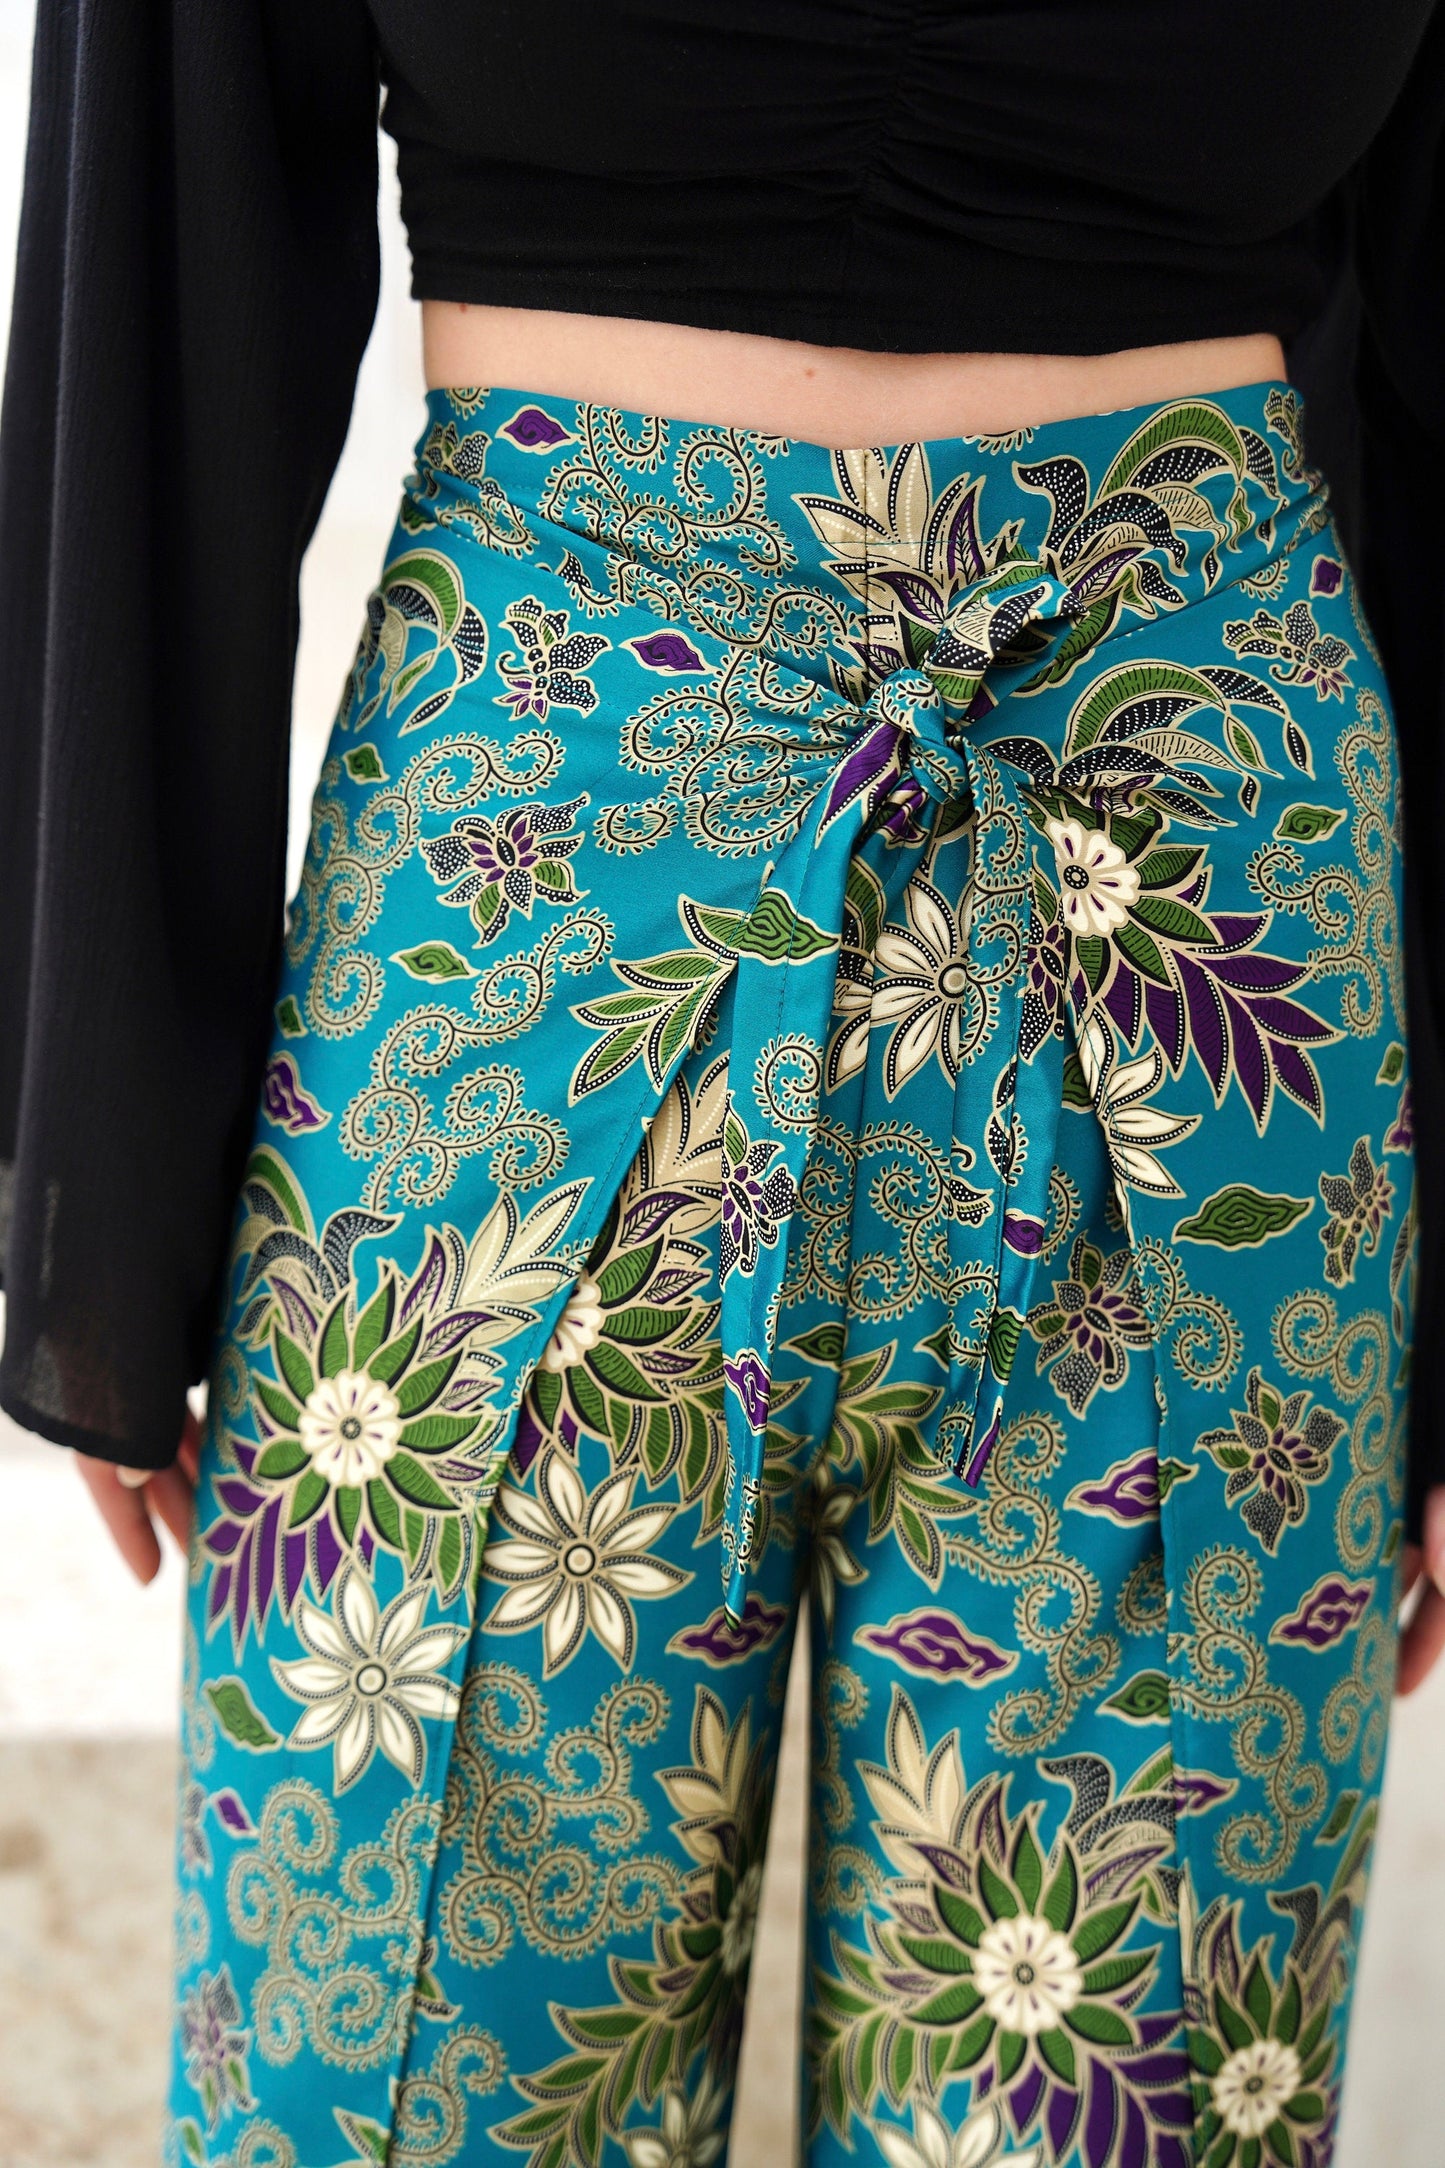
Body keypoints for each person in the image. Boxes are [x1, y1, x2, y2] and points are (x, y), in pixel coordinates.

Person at [2, 3, 1443, 2162]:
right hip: (516, 973)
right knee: (403, 2099)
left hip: (1217, 989)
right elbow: (167, 221)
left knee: (1126, 2106)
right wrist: (98, 1192)